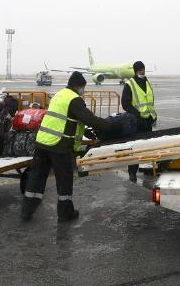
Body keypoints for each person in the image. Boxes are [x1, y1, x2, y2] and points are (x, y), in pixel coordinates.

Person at [21, 71, 115, 222]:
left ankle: (26, 211)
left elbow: (66, 119)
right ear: (79, 86)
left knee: (36, 178)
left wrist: (85, 131)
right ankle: (65, 214)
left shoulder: (59, 95)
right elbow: (88, 118)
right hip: (59, 145)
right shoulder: (74, 99)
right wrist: (110, 125)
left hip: (42, 142)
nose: (83, 91)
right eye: (83, 87)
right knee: (64, 179)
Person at [121, 60, 156, 181]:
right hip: (136, 122)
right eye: (140, 70)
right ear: (136, 71)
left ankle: (148, 168)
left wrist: (153, 115)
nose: (143, 71)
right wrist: (137, 115)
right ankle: (132, 172)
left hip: (148, 120)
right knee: (135, 148)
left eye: (143, 69)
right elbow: (125, 104)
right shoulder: (129, 84)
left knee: (148, 147)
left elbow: (150, 100)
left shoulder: (147, 81)